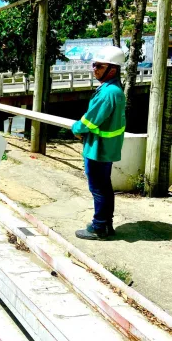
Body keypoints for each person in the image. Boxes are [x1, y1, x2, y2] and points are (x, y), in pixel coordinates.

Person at [72, 45, 126, 241]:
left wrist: (76, 129)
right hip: (106, 148)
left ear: (112, 69)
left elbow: (89, 121)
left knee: (98, 188)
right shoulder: (113, 90)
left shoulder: (107, 93)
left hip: (99, 149)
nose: (94, 69)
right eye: (94, 65)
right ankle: (105, 224)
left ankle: (99, 227)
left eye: (98, 66)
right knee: (104, 187)